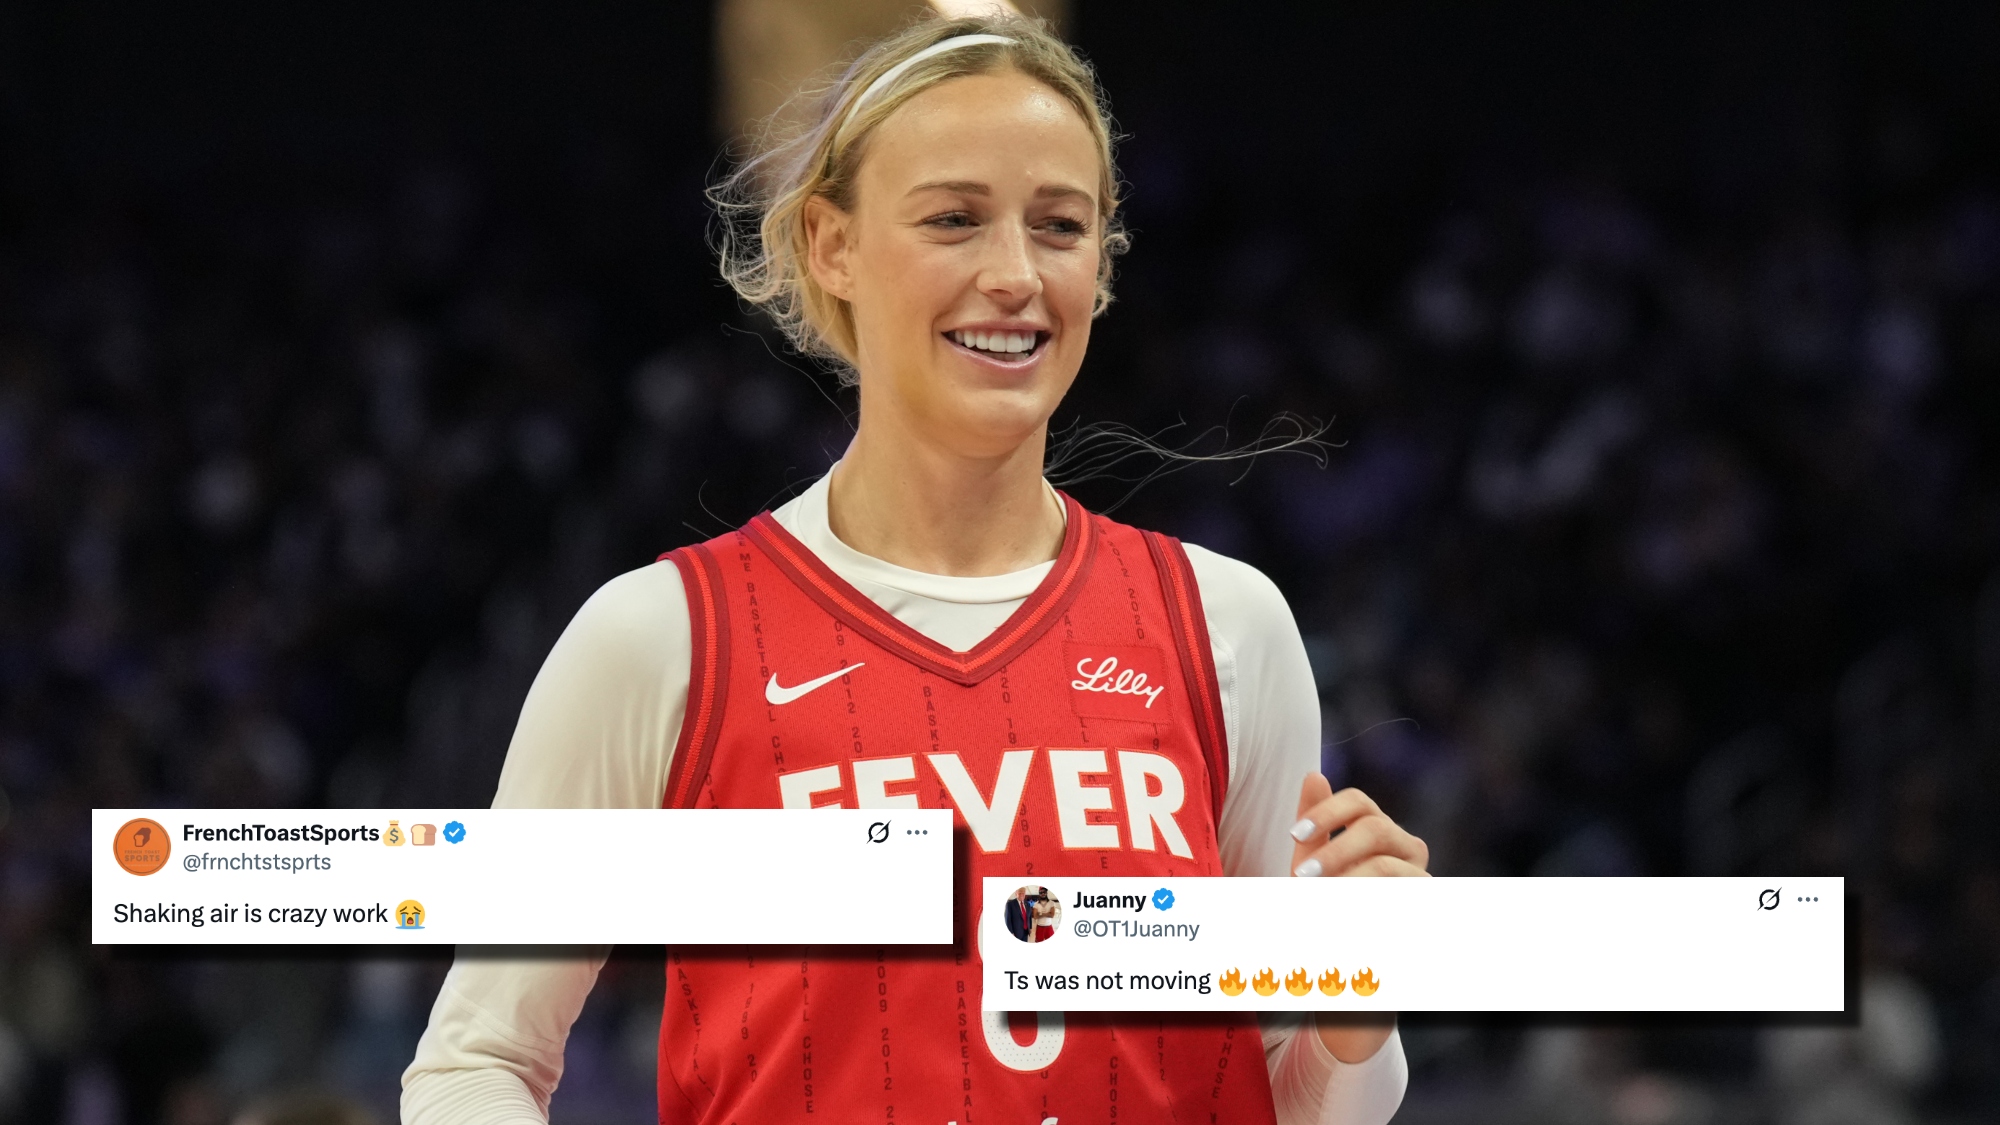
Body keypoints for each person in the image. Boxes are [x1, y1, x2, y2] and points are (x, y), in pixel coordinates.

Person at [403, 13, 1429, 1125]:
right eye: (952, 219)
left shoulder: (1225, 625)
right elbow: (477, 1064)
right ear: (827, 244)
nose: (1013, 276)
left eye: (1058, 226)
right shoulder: (661, 638)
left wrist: (1350, 1016)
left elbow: (1292, 1087)